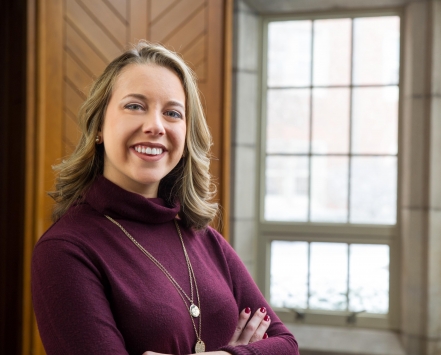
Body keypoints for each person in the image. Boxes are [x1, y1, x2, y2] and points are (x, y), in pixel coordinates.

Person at [31, 41, 299, 355]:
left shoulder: (204, 238)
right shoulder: (65, 251)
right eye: (135, 106)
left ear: (186, 134)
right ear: (99, 125)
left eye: (172, 113)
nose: (155, 126)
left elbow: (287, 347)